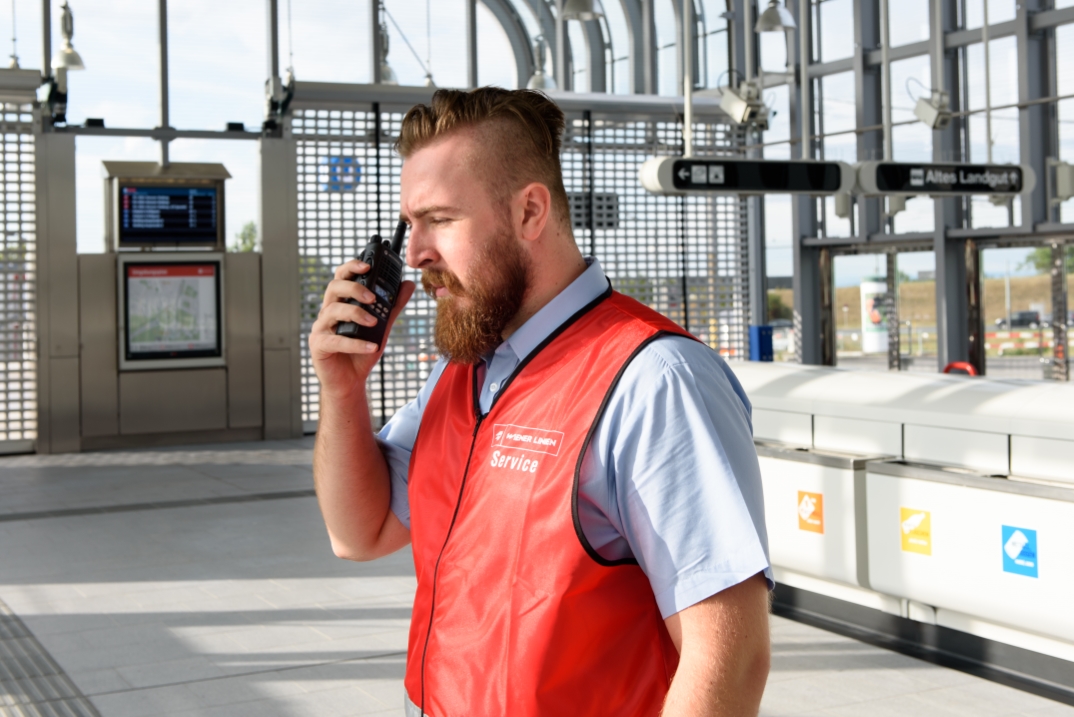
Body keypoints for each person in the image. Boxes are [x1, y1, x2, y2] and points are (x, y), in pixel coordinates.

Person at [310, 87, 772, 717]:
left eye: (441, 220)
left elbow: (728, 658)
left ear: (530, 212)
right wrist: (341, 389)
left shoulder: (654, 380)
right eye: (409, 225)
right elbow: (357, 532)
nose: (415, 254)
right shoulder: (462, 374)